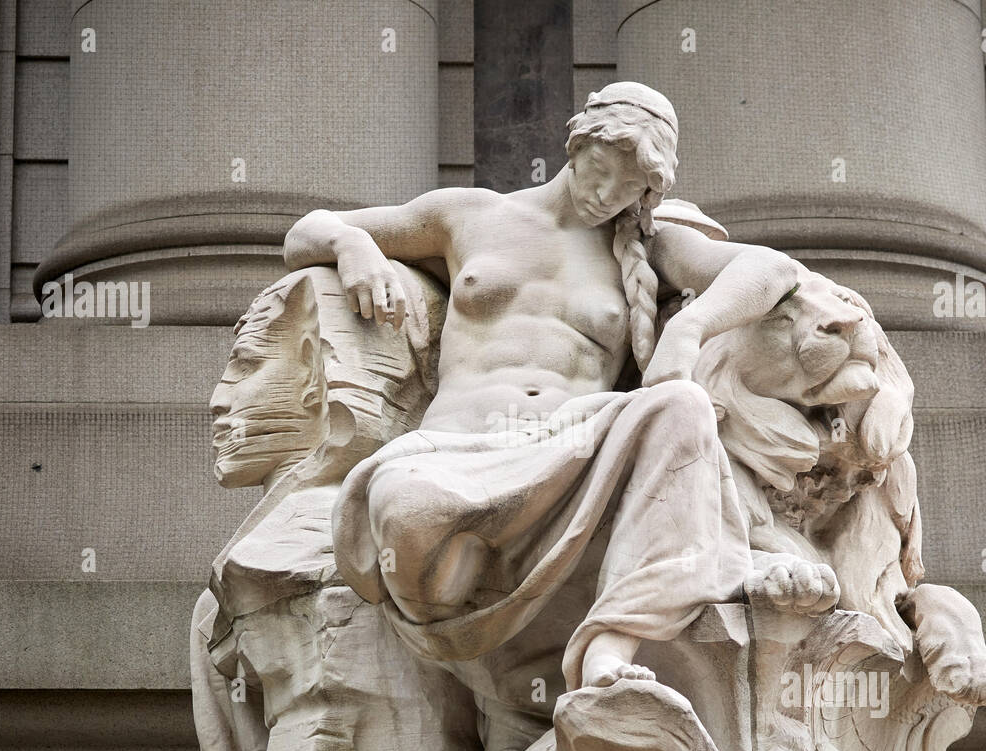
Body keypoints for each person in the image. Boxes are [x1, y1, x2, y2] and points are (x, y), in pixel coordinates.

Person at [283, 82, 808, 691]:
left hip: (573, 451)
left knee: (682, 405)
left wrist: (688, 329)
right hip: (455, 450)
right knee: (415, 541)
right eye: (603, 170)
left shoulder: (647, 245)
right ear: (577, 144)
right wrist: (353, 247)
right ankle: (506, 690)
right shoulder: (470, 214)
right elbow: (305, 231)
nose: (608, 195)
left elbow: (773, 269)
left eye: (633, 187)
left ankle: (608, 646)